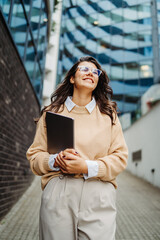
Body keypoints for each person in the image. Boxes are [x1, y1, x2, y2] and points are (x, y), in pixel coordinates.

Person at [26, 56, 128, 240]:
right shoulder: (51, 112)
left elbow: (120, 157)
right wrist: (54, 160)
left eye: (95, 72)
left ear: (98, 80)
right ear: (72, 78)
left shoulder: (108, 115)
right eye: (84, 69)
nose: (91, 73)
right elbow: (34, 156)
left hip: (99, 191)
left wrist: (86, 167)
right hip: (59, 191)